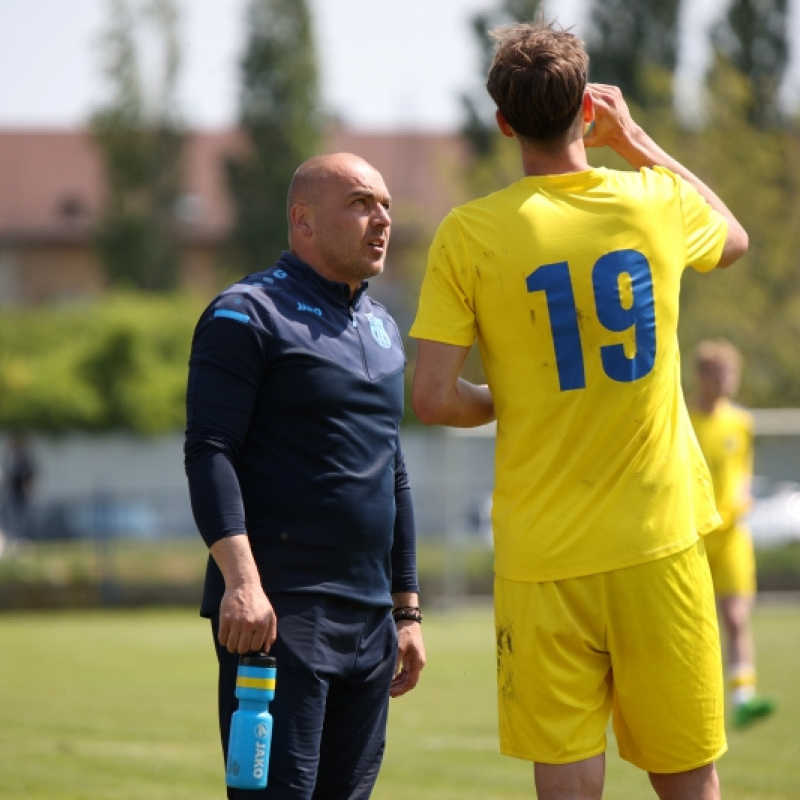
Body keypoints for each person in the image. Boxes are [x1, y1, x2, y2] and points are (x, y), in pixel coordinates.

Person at [410, 20, 748, 800]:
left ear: (503, 123)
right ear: (588, 112)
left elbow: (430, 398)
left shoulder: (469, 234)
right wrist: (635, 141)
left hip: (541, 556)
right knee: (688, 778)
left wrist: (505, 399)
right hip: (656, 541)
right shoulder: (654, 201)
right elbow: (731, 238)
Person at [184, 152, 426, 800]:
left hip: (369, 620)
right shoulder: (246, 312)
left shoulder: (381, 327)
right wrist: (242, 584)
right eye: (359, 204)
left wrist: (406, 609)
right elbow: (209, 450)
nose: (381, 220)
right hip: (278, 615)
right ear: (304, 221)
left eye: (385, 207)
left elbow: (392, 471)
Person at [689, 339, 777, 729]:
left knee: (737, 616)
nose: (726, 380)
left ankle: (744, 697)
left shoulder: (741, 422)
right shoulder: (682, 419)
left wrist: (743, 496)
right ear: (701, 376)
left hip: (732, 536)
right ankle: (693, 699)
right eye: (719, 372)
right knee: (692, 621)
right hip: (692, 534)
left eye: (731, 373)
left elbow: (741, 470)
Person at [2, 434, 37, 541]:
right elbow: (6, 475)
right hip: (12, 493)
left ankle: (20, 538)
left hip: (21, 493)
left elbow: (29, 474)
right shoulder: (10, 459)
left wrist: (29, 487)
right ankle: (13, 538)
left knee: (22, 519)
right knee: (12, 518)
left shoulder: (24, 459)